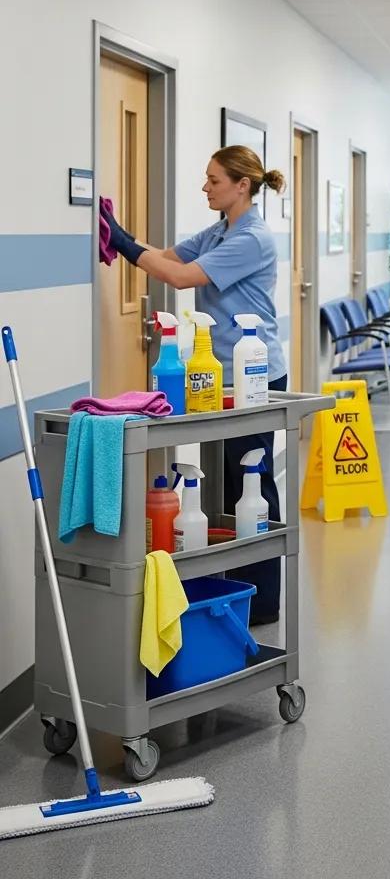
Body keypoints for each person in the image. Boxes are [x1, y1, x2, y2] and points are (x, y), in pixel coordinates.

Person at [102, 145, 289, 624]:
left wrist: (118, 240)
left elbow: (181, 278)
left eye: (213, 180)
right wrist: (120, 234)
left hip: (254, 374)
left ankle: (263, 601)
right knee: (226, 491)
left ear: (241, 186)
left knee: (252, 484)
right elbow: (167, 256)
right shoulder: (221, 229)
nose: (204, 187)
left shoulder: (253, 237)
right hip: (219, 375)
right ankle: (234, 591)